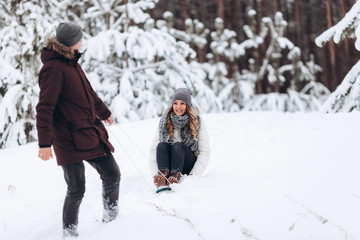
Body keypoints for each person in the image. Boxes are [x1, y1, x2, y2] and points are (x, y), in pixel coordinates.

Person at [36, 22, 121, 238]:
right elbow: (45, 108)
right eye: (80, 38)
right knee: (76, 188)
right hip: (66, 138)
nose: (82, 41)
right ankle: (70, 234)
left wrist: (105, 112)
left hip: (87, 133)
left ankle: (112, 223)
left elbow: (89, 93)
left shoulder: (72, 63)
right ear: (72, 42)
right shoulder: (53, 69)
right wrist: (44, 143)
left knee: (112, 174)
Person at [149, 88, 210, 187]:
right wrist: (154, 174)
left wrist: (193, 176)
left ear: (188, 105)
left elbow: (205, 152)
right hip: (169, 163)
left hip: (187, 163)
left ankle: (175, 176)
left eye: (182, 103)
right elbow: (153, 150)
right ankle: (162, 175)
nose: (178, 107)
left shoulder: (197, 121)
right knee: (161, 145)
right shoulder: (165, 120)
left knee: (177, 146)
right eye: (175, 103)